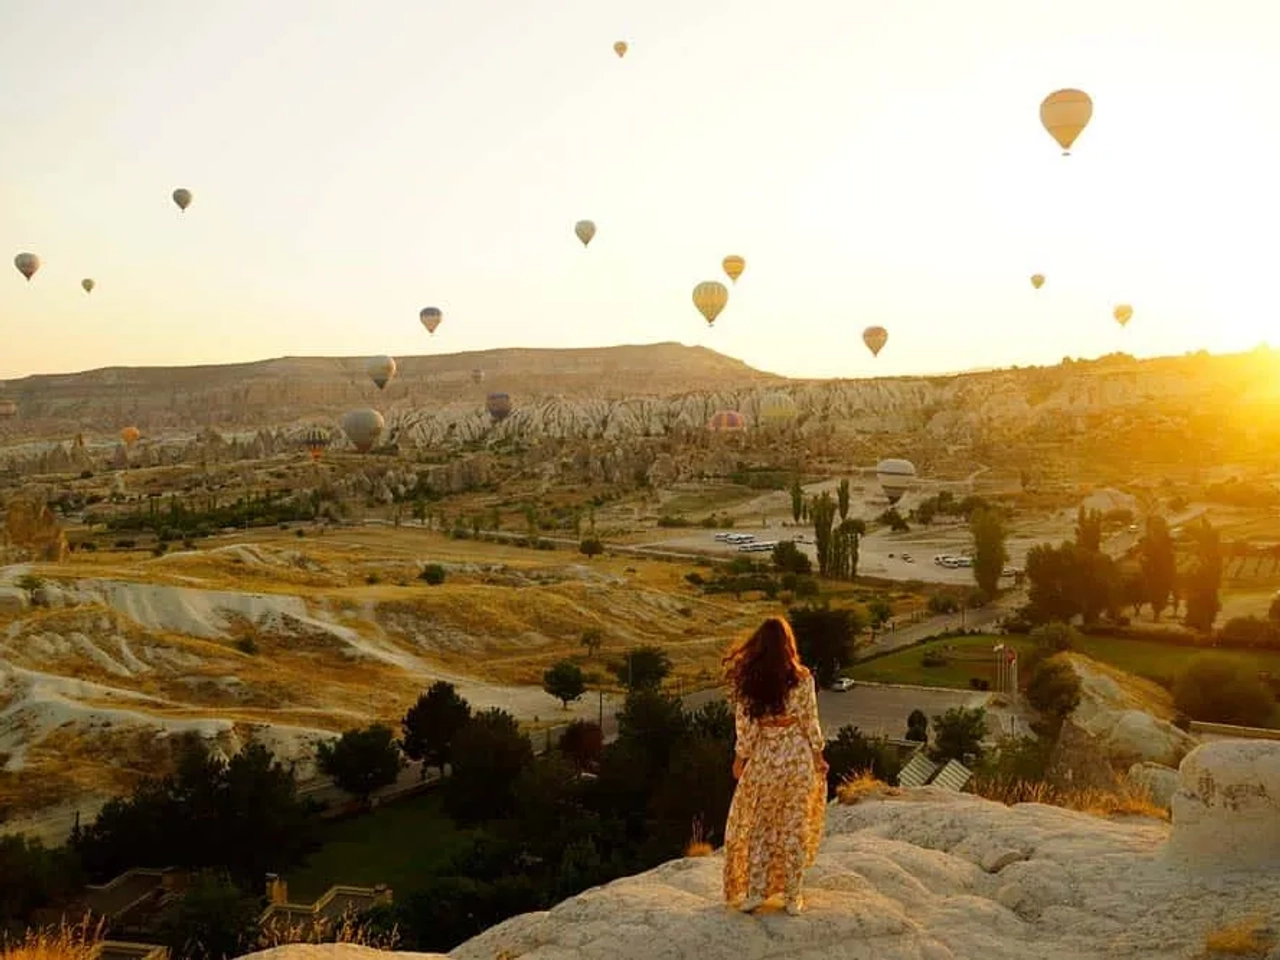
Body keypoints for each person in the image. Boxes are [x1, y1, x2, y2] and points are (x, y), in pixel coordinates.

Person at [722, 616, 828, 915]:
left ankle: (756, 892)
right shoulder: (803, 677)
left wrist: (740, 758)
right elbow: (810, 721)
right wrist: (818, 755)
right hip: (797, 758)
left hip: (766, 759)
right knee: (794, 827)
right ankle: (793, 896)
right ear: (787, 645)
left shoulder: (748, 680)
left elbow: (746, 729)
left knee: (761, 827)